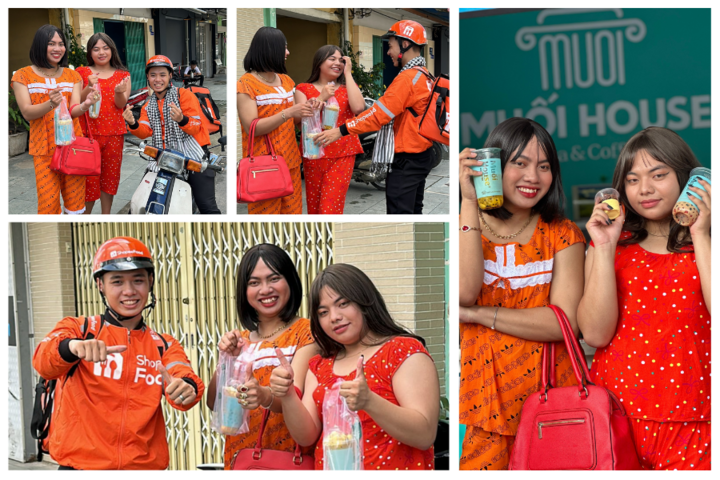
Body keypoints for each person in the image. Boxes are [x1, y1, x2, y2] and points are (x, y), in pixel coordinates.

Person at [577, 127, 711, 470]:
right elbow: (594, 334)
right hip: (616, 419)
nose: (645, 189)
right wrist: (604, 248)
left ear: (686, 177)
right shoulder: (610, 244)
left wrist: (700, 232)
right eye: (633, 179)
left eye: (659, 175)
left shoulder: (708, 243)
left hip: (697, 420)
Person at [458, 117, 586, 470]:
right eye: (520, 163)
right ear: (493, 167)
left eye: (544, 166)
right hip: (484, 405)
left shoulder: (563, 234)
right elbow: (465, 292)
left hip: (552, 403)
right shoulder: (464, 227)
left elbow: (564, 324)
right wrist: (469, 202)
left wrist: (480, 315)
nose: (533, 176)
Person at [32, 237, 205, 469]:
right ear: (100, 285)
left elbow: (181, 375)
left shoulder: (163, 345)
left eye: (138, 280)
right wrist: (72, 348)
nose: (129, 291)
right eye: (117, 281)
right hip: (80, 468)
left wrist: (186, 388)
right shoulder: (79, 328)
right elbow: (44, 361)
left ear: (150, 282)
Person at [269, 263, 439, 470]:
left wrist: (369, 402)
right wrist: (287, 396)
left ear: (365, 300)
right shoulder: (319, 366)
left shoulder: (403, 351)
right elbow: (306, 436)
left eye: (343, 304)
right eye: (323, 312)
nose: (334, 317)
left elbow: (424, 434)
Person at [205, 244, 319, 469]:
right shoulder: (241, 340)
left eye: (274, 278)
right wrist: (225, 361)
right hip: (242, 458)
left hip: (289, 459)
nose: (265, 289)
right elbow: (214, 403)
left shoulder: (307, 334)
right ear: (244, 291)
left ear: (290, 281)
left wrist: (265, 396)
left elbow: (296, 395)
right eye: (254, 282)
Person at [314, 20, 435, 214]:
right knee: (414, 209)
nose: (388, 51)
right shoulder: (425, 74)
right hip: (421, 153)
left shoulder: (407, 78)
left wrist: (342, 130)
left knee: (399, 212)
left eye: (391, 45)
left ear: (405, 44)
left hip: (408, 157)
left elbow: (378, 115)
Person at [11, 24, 100, 215]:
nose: (57, 48)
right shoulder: (22, 76)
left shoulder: (73, 75)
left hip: (73, 147)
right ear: (40, 46)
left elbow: (73, 109)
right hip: (43, 149)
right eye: (51, 43)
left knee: (75, 202)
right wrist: (50, 104)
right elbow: (27, 112)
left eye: (61, 44)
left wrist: (85, 104)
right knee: (48, 204)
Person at [123, 55, 220, 214]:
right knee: (138, 202)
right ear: (147, 77)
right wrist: (132, 123)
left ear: (170, 76)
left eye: (162, 74)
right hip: (163, 158)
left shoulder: (184, 95)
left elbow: (196, 126)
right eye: (153, 75)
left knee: (208, 208)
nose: (157, 79)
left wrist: (182, 119)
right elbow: (145, 131)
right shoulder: (148, 105)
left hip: (192, 155)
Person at [236, 26, 317, 215]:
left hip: (291, 162)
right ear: (269, 50)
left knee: (293, 215)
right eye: (284, 48)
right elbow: (252, 128)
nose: (287, 53)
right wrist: (288, 113)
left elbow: (296, 119)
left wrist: (309, 107)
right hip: (264, 167)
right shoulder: (246, 84)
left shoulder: (286, 80)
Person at [295, 46, 365, 214]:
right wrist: (321, 98)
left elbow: (358, 107)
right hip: (314, 152)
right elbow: (297, 121)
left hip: (342, 152)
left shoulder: (347, 87)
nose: (337, 63)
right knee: (314, 205)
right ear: (319, 62)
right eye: (331, 59)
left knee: (330, 207)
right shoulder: (303, 89)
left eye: (340, 60)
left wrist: (348, 74)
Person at [77, 33, 131, 215]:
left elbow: (121, 104)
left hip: (114, 134)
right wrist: (88, 87)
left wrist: (118, 92)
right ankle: (84, 218)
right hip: (87, 135)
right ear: (90, 52)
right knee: (89, 180)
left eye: (105, 48)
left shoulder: (123, 75)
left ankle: (106, 216)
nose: (101, 52)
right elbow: (76, 101)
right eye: (96, 48)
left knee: (110, 179)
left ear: (112, 50)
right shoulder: (82, 72)